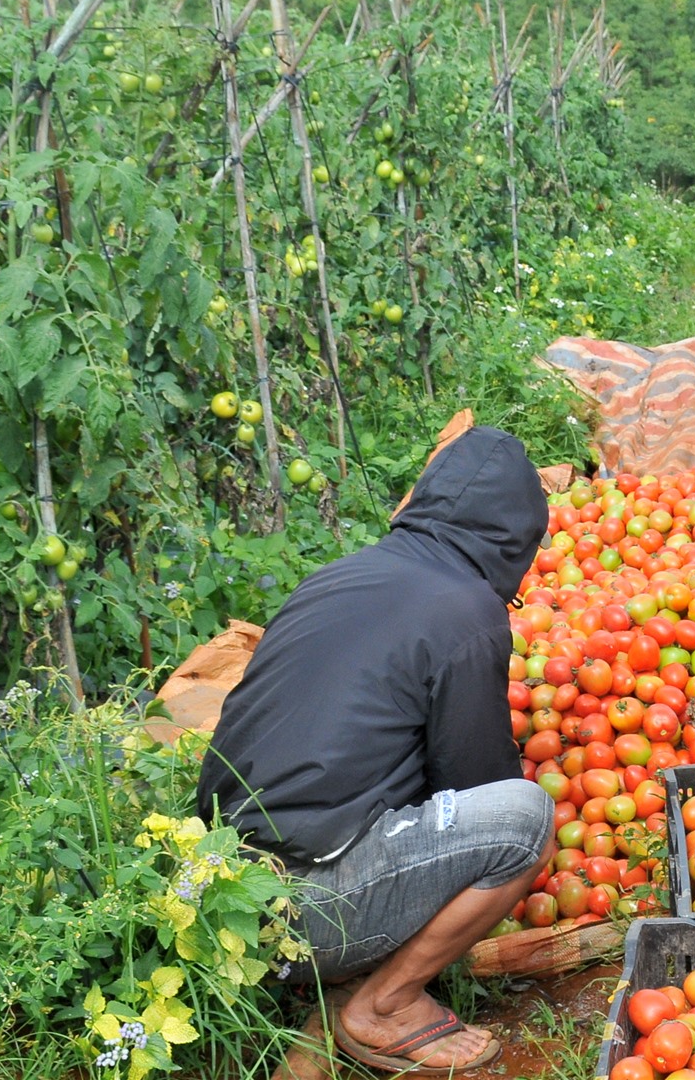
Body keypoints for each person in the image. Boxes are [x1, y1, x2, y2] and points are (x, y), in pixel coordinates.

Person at [197, 425, 553, 1075]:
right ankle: (384, 1003)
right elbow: (477, 783)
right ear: (514, 540)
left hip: (221, 897)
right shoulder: (468, 607)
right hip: (305, 912)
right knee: (527, 819)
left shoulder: (341, 576)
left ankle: (339, 979)